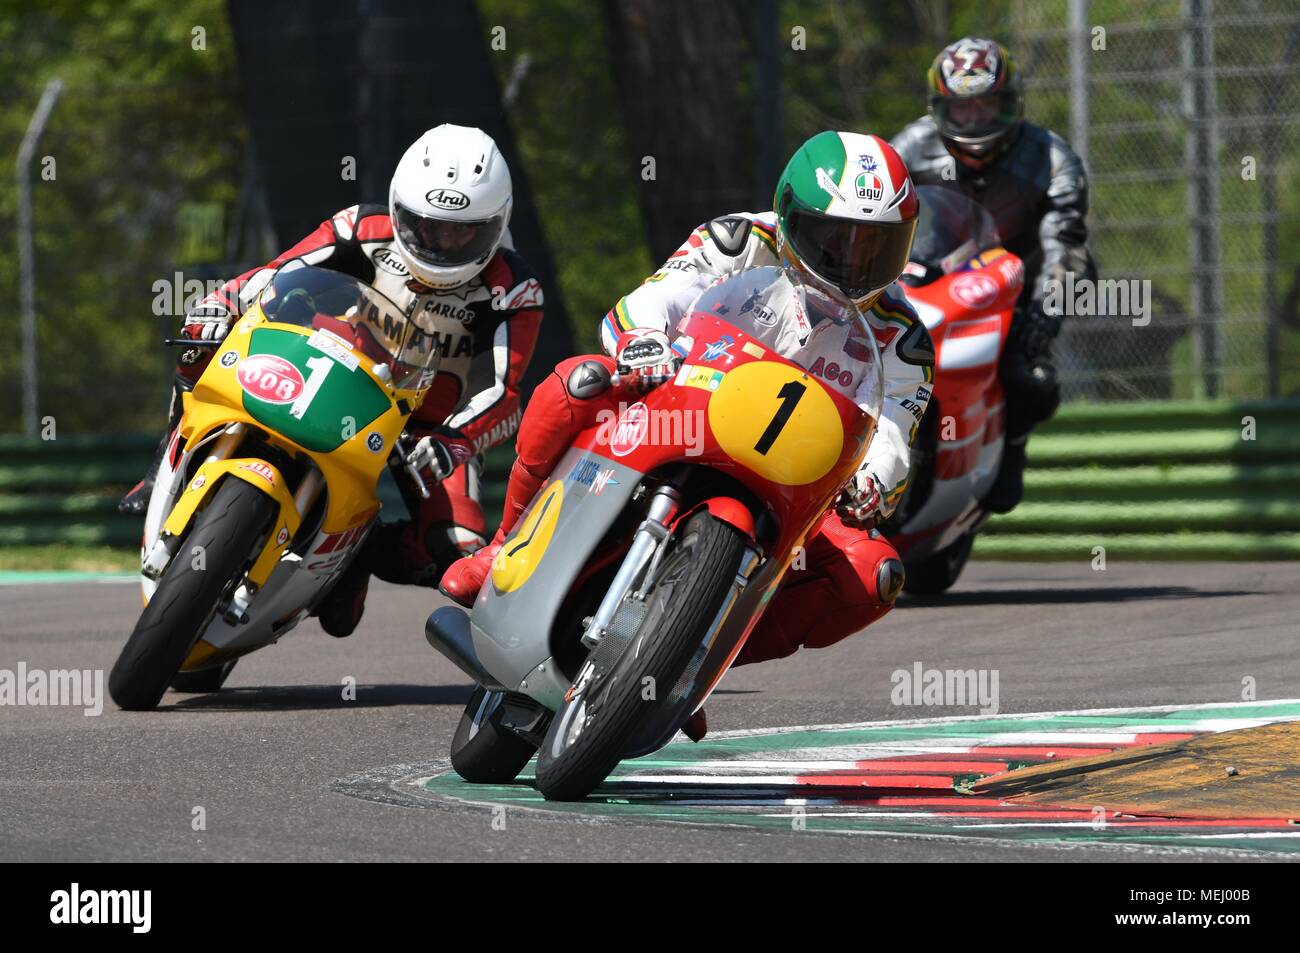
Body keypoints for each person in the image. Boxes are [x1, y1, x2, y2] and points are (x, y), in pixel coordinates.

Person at [441, 131, 934, 739]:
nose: (850, 261)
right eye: (834, 238)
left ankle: (686, 656)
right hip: (682, 409)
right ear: (789, 216)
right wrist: (644, 339)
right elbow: (657, 298)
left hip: (787, 480)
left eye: (874, 246)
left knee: (872, 574)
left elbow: (893, 428)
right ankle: (505, 546)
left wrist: (875, 478)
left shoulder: (903, 336)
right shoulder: (738, 240)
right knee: (576, 385)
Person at [120, 124, 544, 637]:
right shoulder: (358, 227)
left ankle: (355, 553)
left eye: (462, 231)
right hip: (329, 372)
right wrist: (225, 299)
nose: (442, 241)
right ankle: (163, 460)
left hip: (424, 428)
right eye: (427, 225)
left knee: (453, 552)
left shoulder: (514, 289)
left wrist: (456, 440)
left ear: (495, 225)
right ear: (398, 207)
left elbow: (504, 391)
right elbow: (277, 272)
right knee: (199, 343)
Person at [892, 36, 1095, 513]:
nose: (976, 122)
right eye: (962, 111)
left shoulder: (1054, 160)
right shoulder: (910, 146)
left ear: (1014, 105)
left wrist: (1044, 313)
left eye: (988, 107)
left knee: (1029, 372)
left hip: (1022, 281)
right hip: (930, 272)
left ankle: (1013, 443)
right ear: (939, 109)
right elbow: (876, 211)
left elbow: (1065, 246)